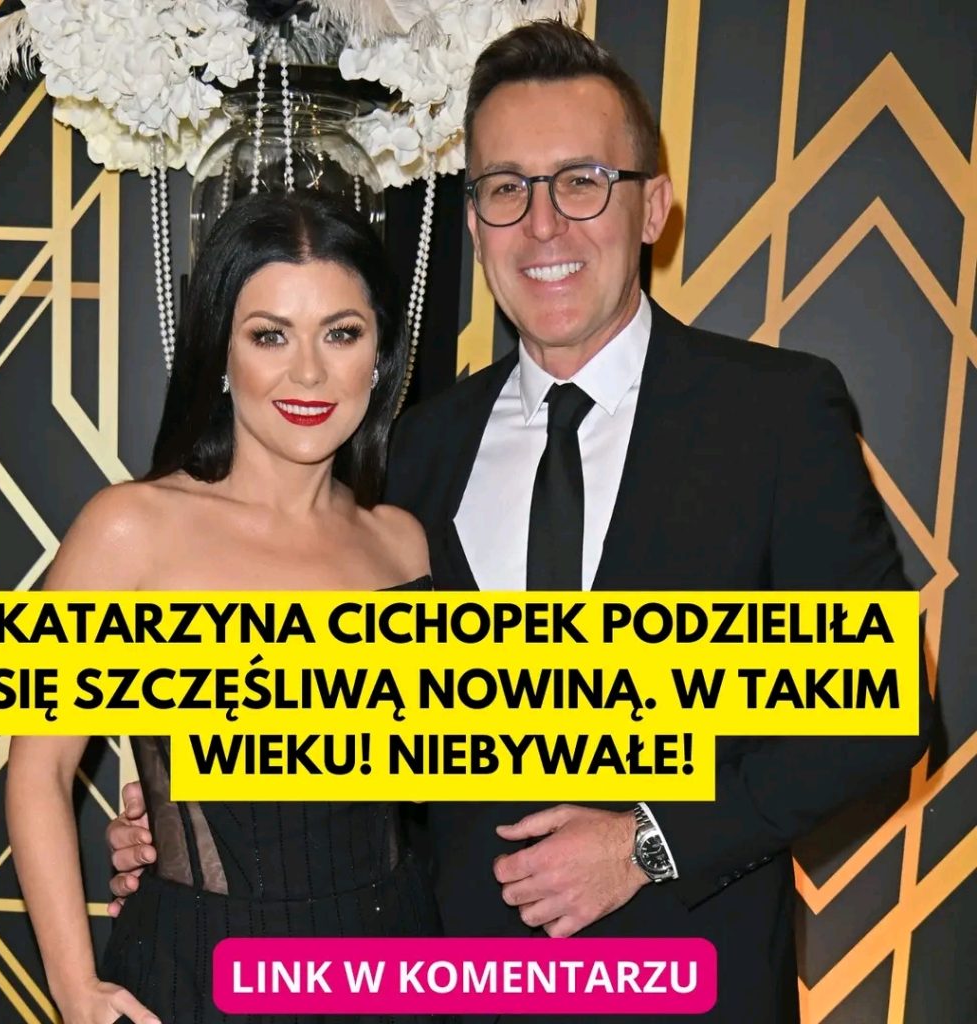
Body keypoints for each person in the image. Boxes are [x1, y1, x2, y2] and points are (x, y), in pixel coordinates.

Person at [107, 21, 934, 1023]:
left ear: (653, 207)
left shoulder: (777, 413)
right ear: (474, 220)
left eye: (582, 180)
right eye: (506, 188)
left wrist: (648, 840)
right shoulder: (414, 447)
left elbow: (886, 711)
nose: (543, 225)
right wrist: (190, 806)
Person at [7, 192, 441, 1024]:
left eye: (341, 333)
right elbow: (39, 770)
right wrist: (75, 989)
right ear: (220, 352)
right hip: (201, 974)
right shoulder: (130, 529)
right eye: (270, 335)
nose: (308, 373)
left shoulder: (401, 546)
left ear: (382, 356)